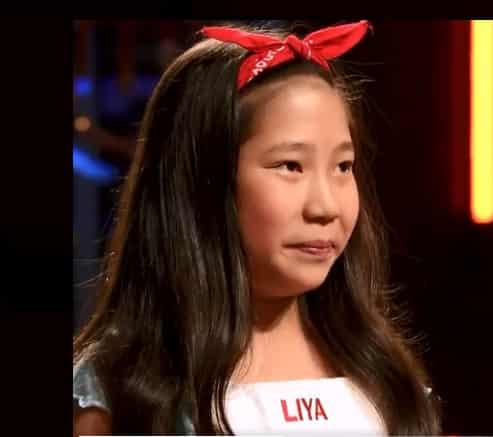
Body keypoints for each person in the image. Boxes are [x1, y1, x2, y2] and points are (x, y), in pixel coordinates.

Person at [73, 20, 442, 435]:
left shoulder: (387, 378)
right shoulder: (123, 391)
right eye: (291, 166)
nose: (326, 207)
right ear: (200, 183)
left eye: (343, 166)